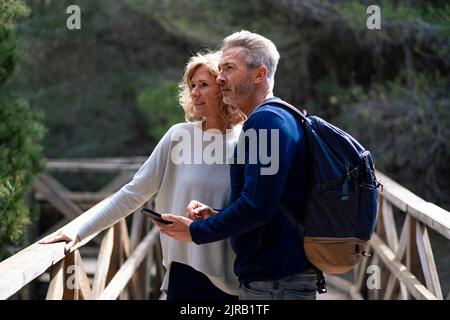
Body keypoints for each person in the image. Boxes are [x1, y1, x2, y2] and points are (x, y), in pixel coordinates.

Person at [40, 51, 246, 300]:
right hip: (185, 273)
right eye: (192, 85)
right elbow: (131, 194)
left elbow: (255, 212)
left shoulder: (248, 140)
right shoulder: (178, 137)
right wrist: (78, 230)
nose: (194, 92)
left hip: (238, 281)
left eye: (203, 85)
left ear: (223, 88)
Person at [154, 31, 318, 300]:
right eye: (219, 70)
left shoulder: (266, 123)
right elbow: (266, 201)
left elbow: (257, 209)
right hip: (275, 280)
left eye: (229, 68)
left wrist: (196, 231)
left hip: (276, 284)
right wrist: (217, 215)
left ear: (259, 74)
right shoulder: (276, 117)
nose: (219, 78)